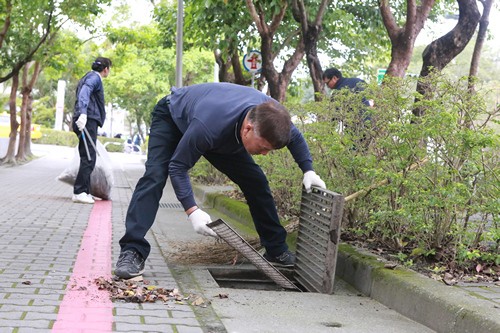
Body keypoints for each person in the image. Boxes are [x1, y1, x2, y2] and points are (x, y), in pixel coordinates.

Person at [114, 82, 326, 279]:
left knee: (256, 181)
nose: (264, 154)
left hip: (222, 135)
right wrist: (192, 211)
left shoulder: (272, 115)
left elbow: (295, 138)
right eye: (262, 148)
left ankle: (276, 250)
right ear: (248, 129)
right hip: (173, 117)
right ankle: (132, 251)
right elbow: (178, 167)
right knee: (155, 176)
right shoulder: (209, 126)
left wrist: (308, 170)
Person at [71, 57, 112, 204]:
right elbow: (84, 92)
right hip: (87, 121)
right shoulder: (95, 78)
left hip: (85, 120)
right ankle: (79, 191)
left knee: (87, 155)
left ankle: (85, 191)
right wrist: (83, 113)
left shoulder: (87, 76)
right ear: (106, 69)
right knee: (89, 157)